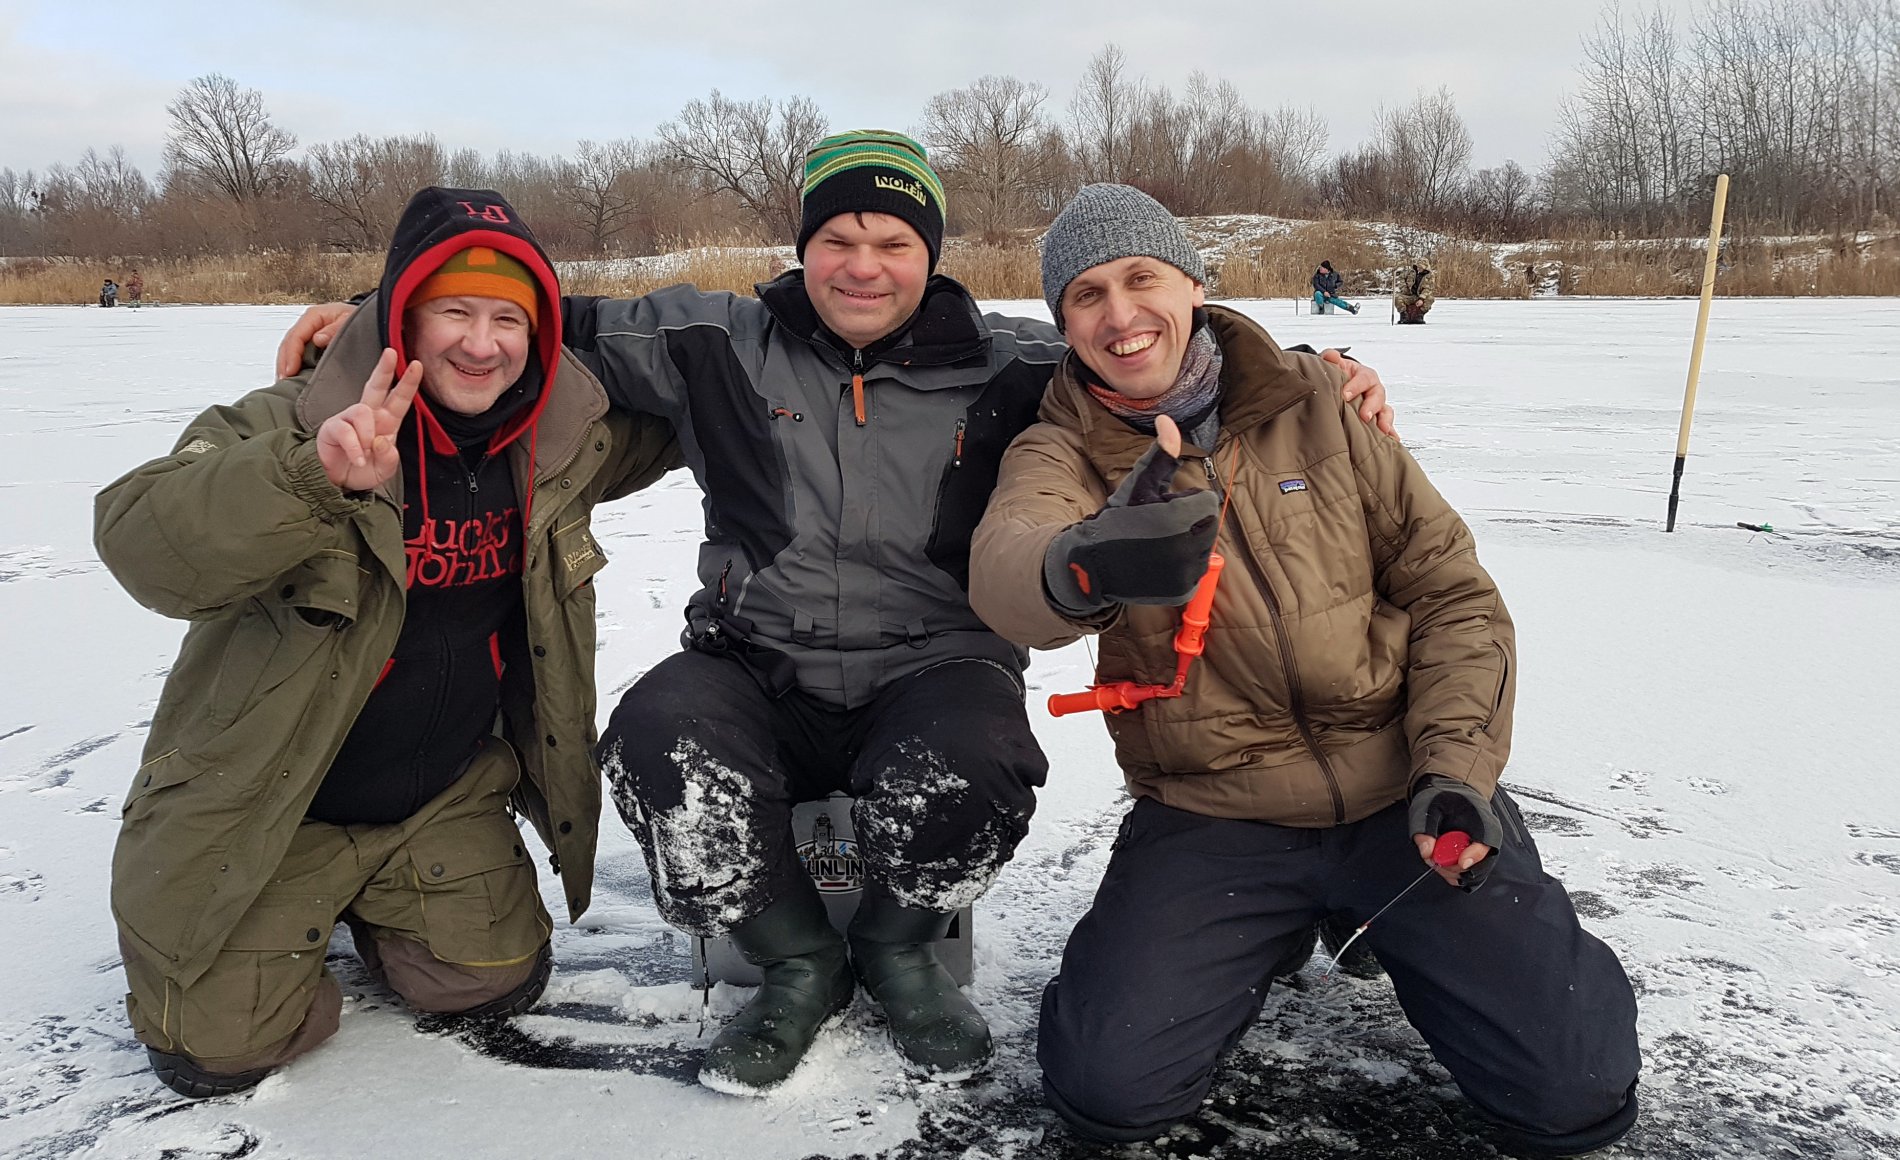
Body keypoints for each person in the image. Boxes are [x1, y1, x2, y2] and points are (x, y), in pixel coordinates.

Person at [270, 132, 1396, 1096]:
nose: (863, 265)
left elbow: (1155, 347)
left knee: (985, 757)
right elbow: (532, 314)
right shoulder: (713, 338)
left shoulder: (1013, 362)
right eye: (838, 239)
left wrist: (1309, 365)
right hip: (755, 657)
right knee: (657, 735)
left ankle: (900, 947)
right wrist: (376, 313)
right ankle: (795, 956)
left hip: (935, 662)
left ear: (930, 254)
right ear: (802, 246)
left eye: (893, 242)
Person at [969, 184, 1641, 1157]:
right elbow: (1007, 567)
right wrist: (1085, 562)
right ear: (1063, 321)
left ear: (1192, 284)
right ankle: (1275, 927)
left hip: (1401, 795)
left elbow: (1452, 595)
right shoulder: (1059, 447)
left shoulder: (1323, 401)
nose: (1119, 314)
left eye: (1142, 278)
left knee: (1574, 1088)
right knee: (1107, 1089)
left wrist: (1454, 771)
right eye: (1086, 294)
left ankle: (1389, 921)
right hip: (1214, 811)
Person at [94, 187, 679, 1098]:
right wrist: (310, 476)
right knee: (220, 1052)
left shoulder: (564, 440)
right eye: (453, 312)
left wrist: (809, 310)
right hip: (273, 810)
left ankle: (384, 899)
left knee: (492, 982)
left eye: (507, 319)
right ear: (403, 317)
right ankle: (289, 905)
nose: (481, 344)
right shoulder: (292, 419)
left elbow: (705, 389)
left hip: (436, 796)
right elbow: (143, 542)